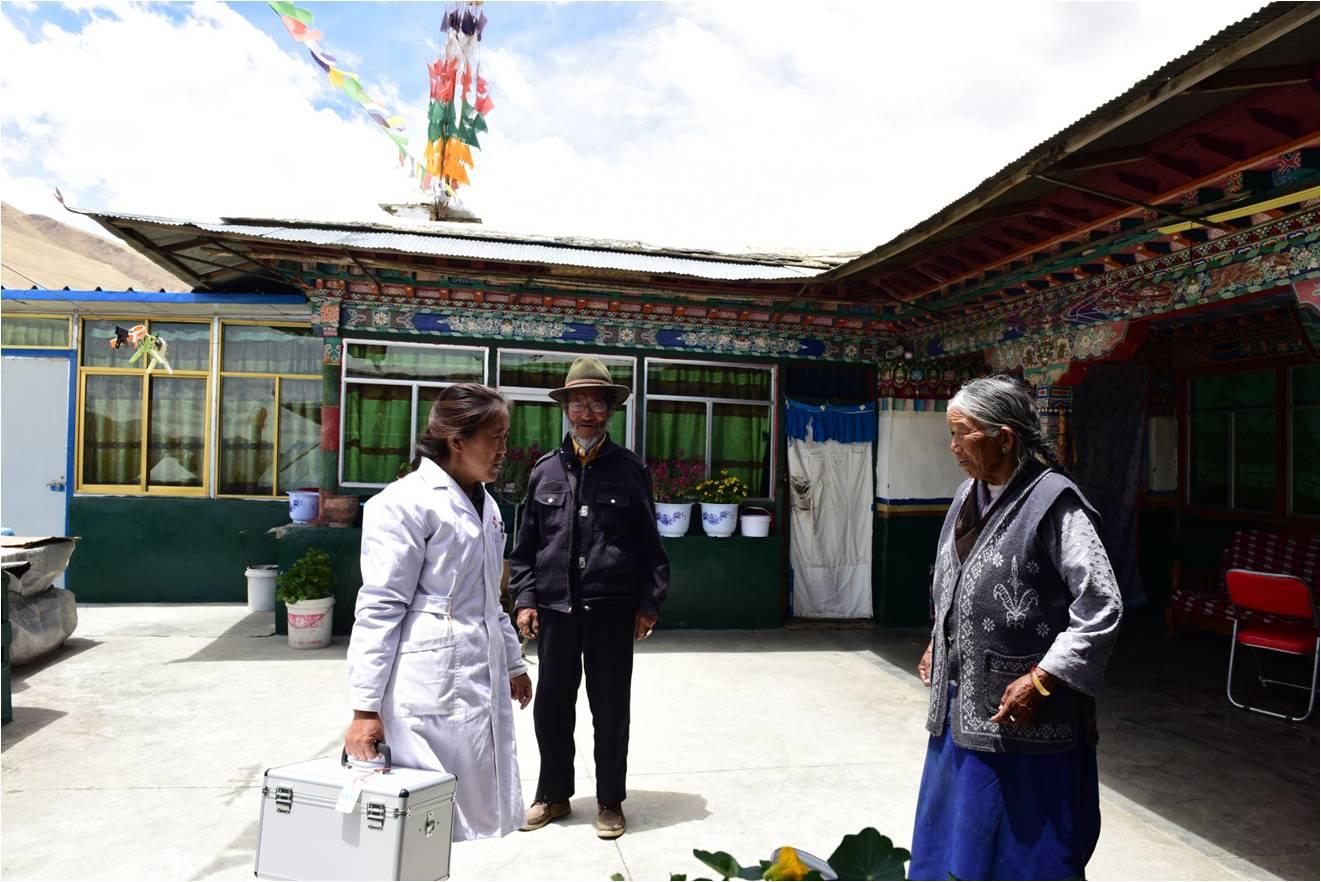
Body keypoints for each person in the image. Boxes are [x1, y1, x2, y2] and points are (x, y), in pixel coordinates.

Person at [909, 375, 1123, 881]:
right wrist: (939, 641)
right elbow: (954, 579)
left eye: (961, 434)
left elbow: (1101, 604)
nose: (953, 447)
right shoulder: (968, 494)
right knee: (953, 842)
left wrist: (1042, 679)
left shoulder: (1055, 503)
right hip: (958, 715)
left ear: (1004, 438)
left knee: (1018, 851)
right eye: (950, 434)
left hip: (1022, 719)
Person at [344, 383, 532, 842]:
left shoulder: (486, 505)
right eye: (495, 438)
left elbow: (490, 599)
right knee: (419, 822)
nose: (504, 451)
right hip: (427, 683)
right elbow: (380, 607)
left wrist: (513, 663)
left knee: (462, 816)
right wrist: (365, 709)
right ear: (457, 440)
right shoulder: (404, 503)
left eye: (505, 438)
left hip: (477, 672)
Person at [509, 355, 670, 840]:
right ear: (566, 409)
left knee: (611, 709)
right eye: (577, 403)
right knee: (552, 708)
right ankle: (553, 795)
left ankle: (610, 801)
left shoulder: (630, 470)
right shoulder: (544, 471)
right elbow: (525, 548)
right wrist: (524, 599)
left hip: (611, 610)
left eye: (596, 403)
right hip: (555, 611)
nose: (586, 413)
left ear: (610, 410)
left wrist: (648, 603)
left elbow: (651, 546)